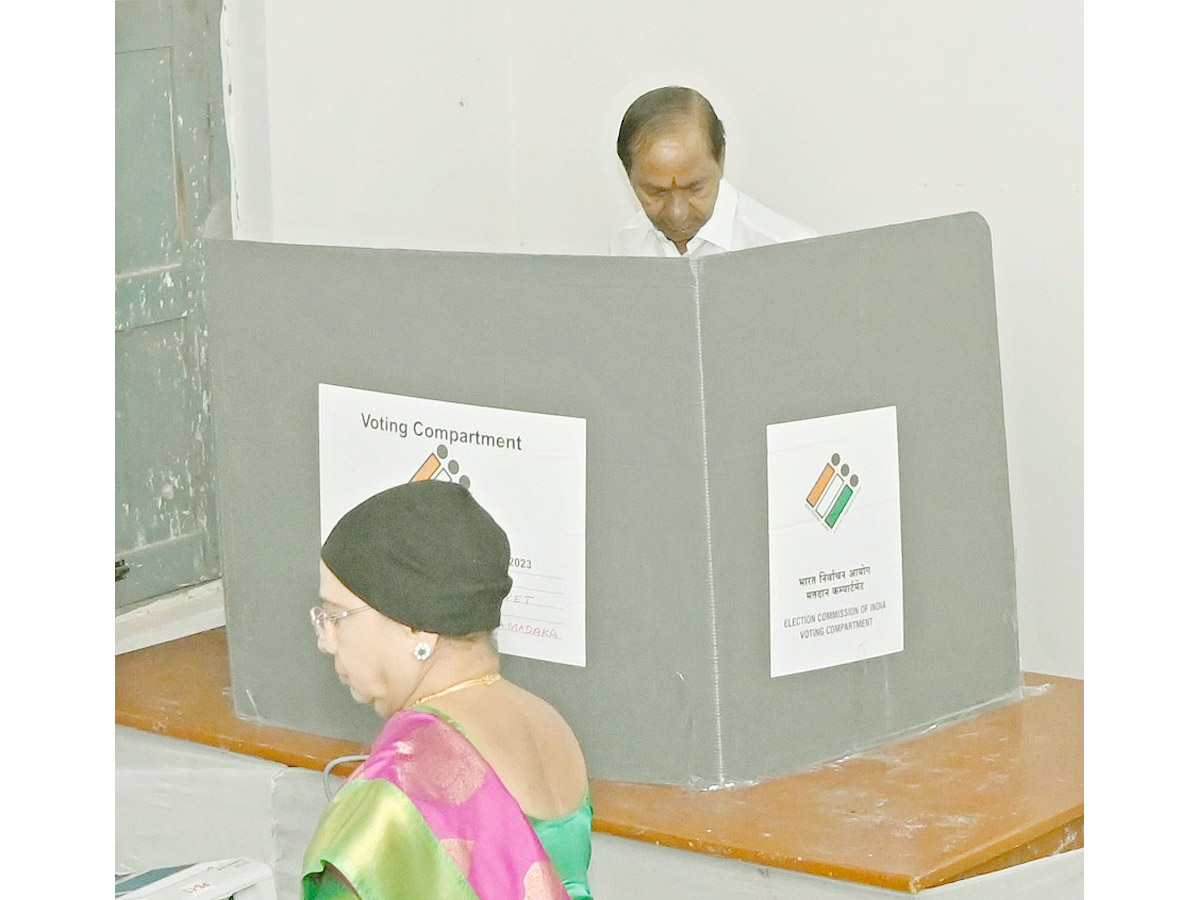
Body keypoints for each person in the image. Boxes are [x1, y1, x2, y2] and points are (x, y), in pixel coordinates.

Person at [301, 481, 593, 900]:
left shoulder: (405, 775)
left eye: (336, 615)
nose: (326, 641)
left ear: (416, 626)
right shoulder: (550, 724)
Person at [610, 85, 819, 258]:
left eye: (694, 188)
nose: (678, 213)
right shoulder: (626, 246)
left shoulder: (790, 252)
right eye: (656, 193)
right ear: (629, 176)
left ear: (720, 160)